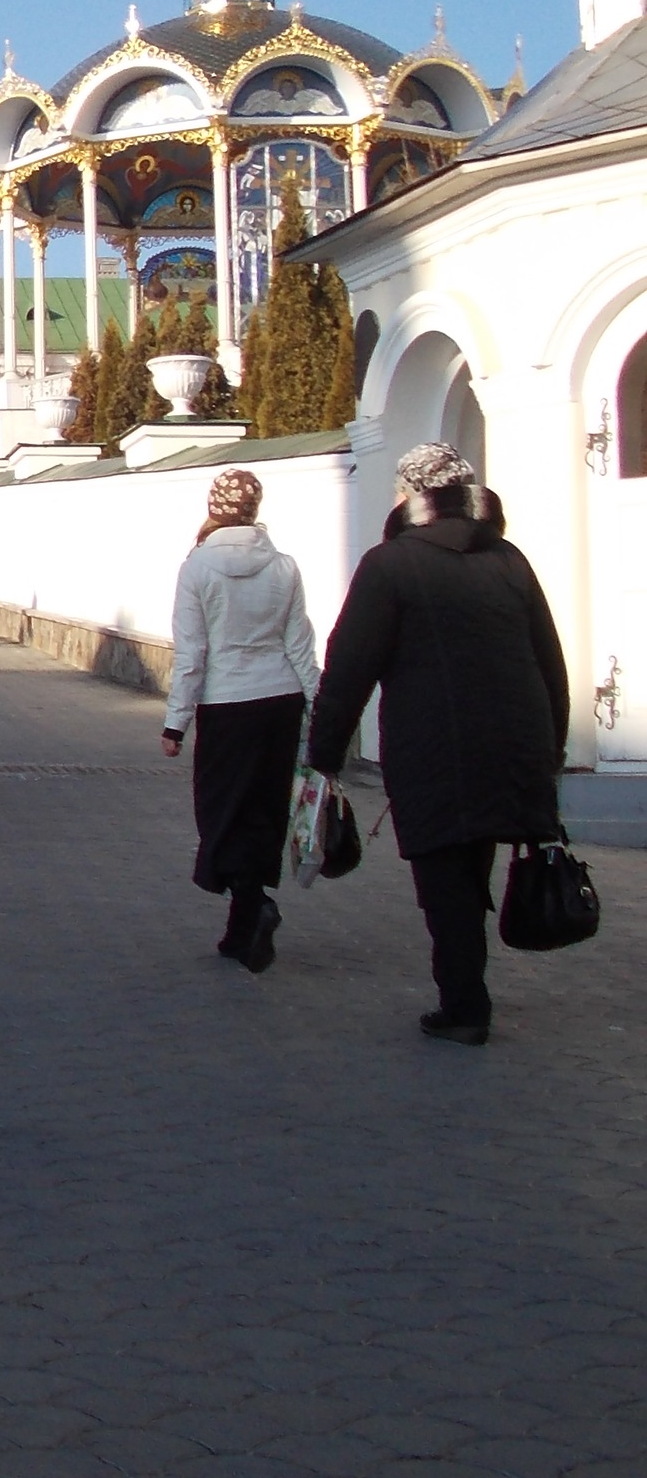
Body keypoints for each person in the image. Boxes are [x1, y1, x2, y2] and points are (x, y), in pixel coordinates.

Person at [308, 443, 568, 1046]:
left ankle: (464, 1005)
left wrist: (323, 755)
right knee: (473, 863)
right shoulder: (509, 559)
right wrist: (549, 748)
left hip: (432, 751)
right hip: (512, 747)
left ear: (411, 495)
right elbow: (549, 660)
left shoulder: (390, 565)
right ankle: (466, 989)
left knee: (443, 877)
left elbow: (348, 668)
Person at [159, 469, 318, 972]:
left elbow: (192, 654)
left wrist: (176, 723)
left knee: (221, 812)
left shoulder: (196, 568)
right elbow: (299, 644)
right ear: (254, 510)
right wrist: (320, 705)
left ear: (214, 509)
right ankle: (240, 929)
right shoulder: (284, 567)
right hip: (280, 702)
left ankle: (255, 905)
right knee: (264, 811)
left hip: (225, 704)